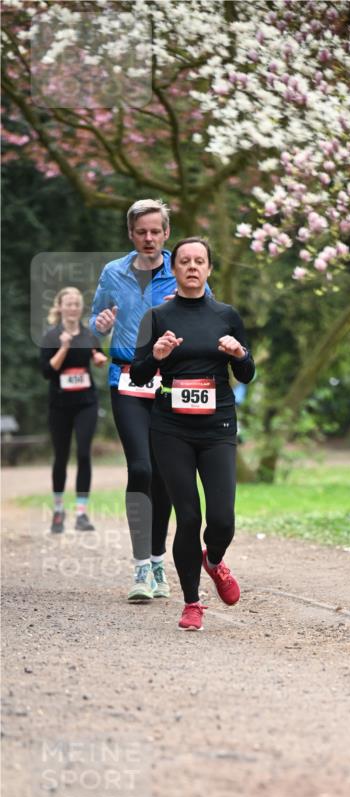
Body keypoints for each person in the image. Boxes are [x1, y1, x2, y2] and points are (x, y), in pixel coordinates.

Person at [130, 236, 255, 632]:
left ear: (209, 269)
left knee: (222, 519)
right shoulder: (156, 317)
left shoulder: (227, 314)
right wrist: (157, 357)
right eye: (185, 260)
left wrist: (240, 355)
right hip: (171, 427)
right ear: (175, 268)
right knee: (187, 516)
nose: (192, 267)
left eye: (200, 260)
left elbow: (248, 373)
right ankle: (192, 602)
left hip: (217, 424)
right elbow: (137, 373)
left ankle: (214, 560)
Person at [90, 198, 179, 602]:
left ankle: (159, 561)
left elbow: (205, 313)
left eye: (154, 231)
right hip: (125, 377)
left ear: (166, 234)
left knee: (163, 475)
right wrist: (100, 324)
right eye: (140, 231)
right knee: (141, 467)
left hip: (170, 382)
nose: (148, 238)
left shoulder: (182, 270)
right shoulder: (113, 272)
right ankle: (141, 566)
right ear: (131, 233)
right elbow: (94, 322)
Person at [40, 287, 107, 534]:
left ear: (80, 308)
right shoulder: (51, 336)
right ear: (60, 307)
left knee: (84, 454)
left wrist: (99, 360)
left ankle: (81, 513)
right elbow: (47, 372)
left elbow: (98, 358)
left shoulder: (89, 335)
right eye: (68, 303)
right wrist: (64, 348)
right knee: (61, 455)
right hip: (59, 405)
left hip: (86, 403)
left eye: (77, 303)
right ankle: (58, 511)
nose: (73, 307)